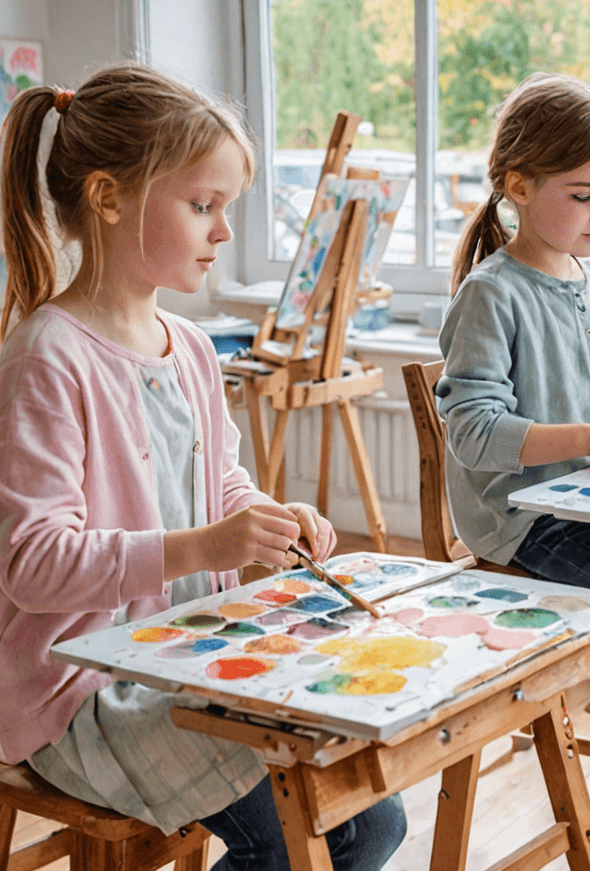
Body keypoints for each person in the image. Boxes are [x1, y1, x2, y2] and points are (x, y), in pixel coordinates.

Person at [0, 64, 406, 871]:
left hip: (186, 651)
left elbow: (220, 481)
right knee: (304, 838)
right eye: (203, 206)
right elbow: (32, 568)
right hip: (80, 691)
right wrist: (204, 547)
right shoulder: (48, 358)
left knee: (375, 815)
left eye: (226, 209)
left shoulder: (186, 344)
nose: (223, 232)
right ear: (110, 198)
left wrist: (266, 518)